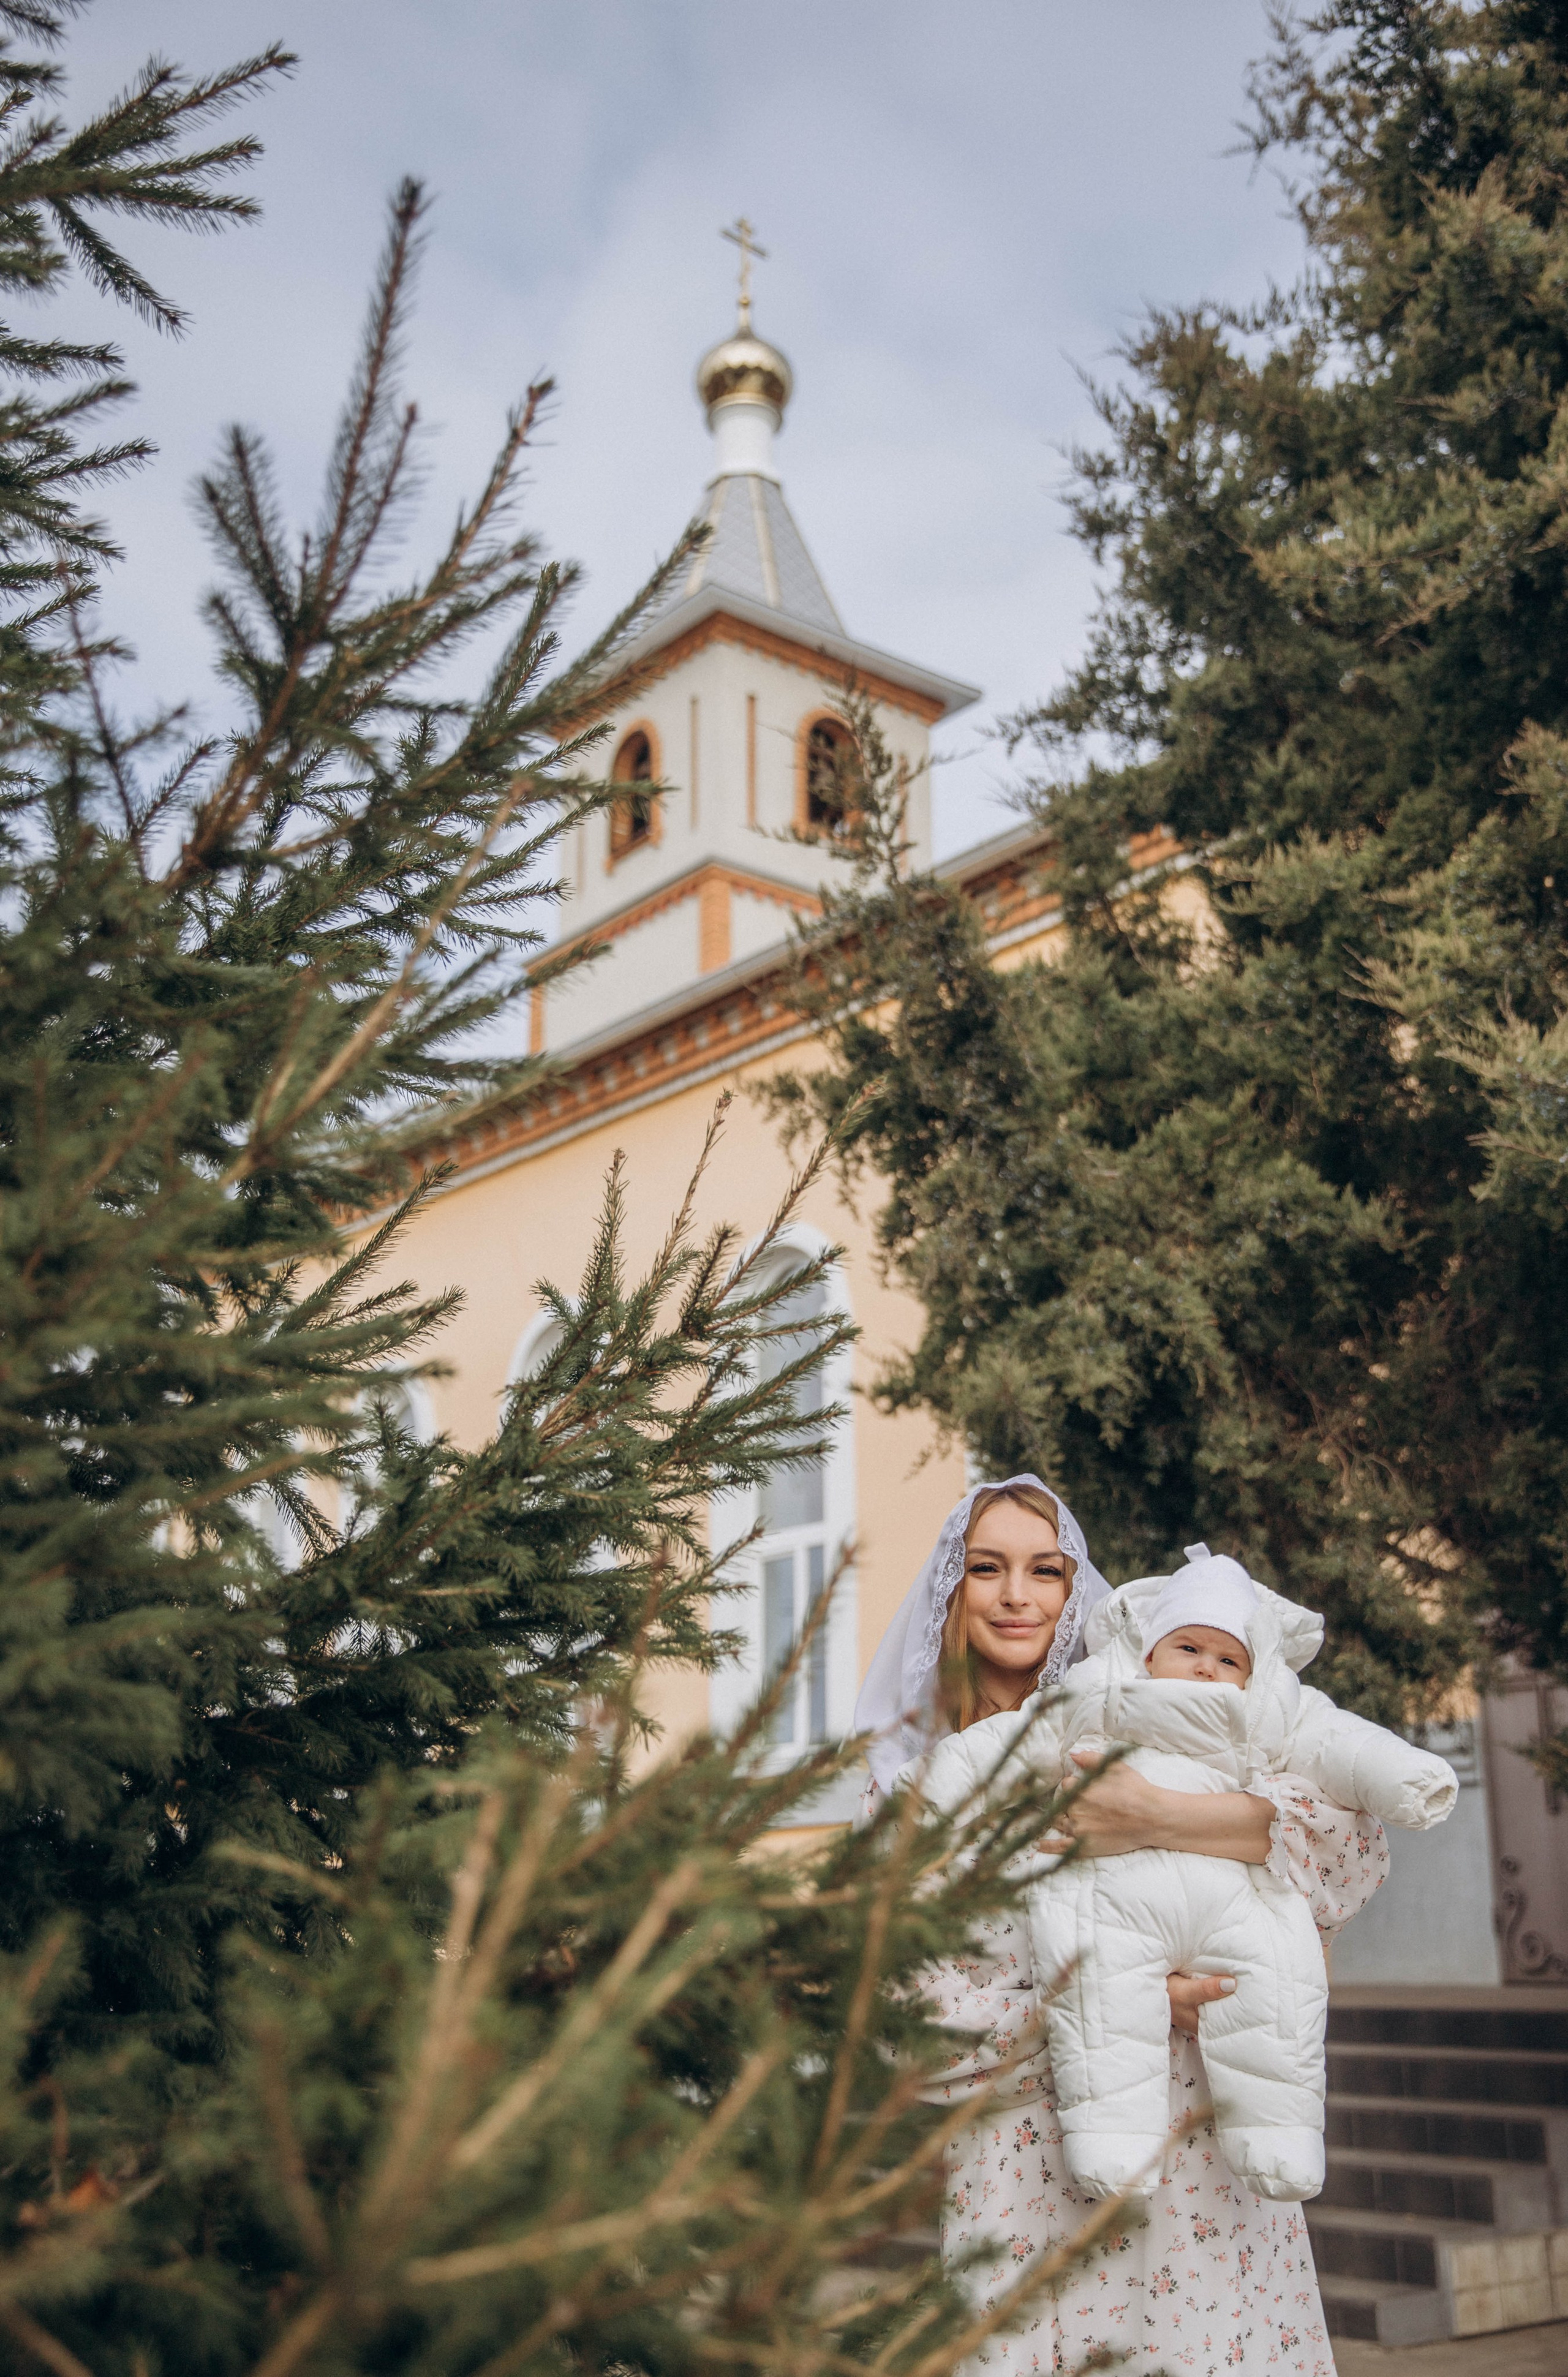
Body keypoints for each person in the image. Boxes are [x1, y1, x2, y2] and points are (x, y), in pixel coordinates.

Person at [854, 1477, 1391, 2377]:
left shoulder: (1166, 1720)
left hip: (1205, 2176)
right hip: (1027, 2188)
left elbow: (1351, 1843)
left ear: (1080, 1592)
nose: (1016, 1595)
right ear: (952, 1589)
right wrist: (1132, 1999)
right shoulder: (910, 1796)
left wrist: (1155, 1817)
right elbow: (904, 2021)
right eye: (987, 1569)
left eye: (1046, 1570)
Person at [905, 1543, 1454, 2207]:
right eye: (1188, 1646)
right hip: (1109, 1924)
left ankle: (1281, 2133)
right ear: (1148, 1651)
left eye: (1229, 1659)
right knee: (1102, 1988)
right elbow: (1014, 1742)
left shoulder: (1270, 1713)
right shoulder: (1099, 1693)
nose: (1206, 1668)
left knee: (1280, 1983)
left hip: (1236, 1920)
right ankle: (1114, 2147)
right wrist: (934, 1781)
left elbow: (1343, 1755)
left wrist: (1411, 1778)